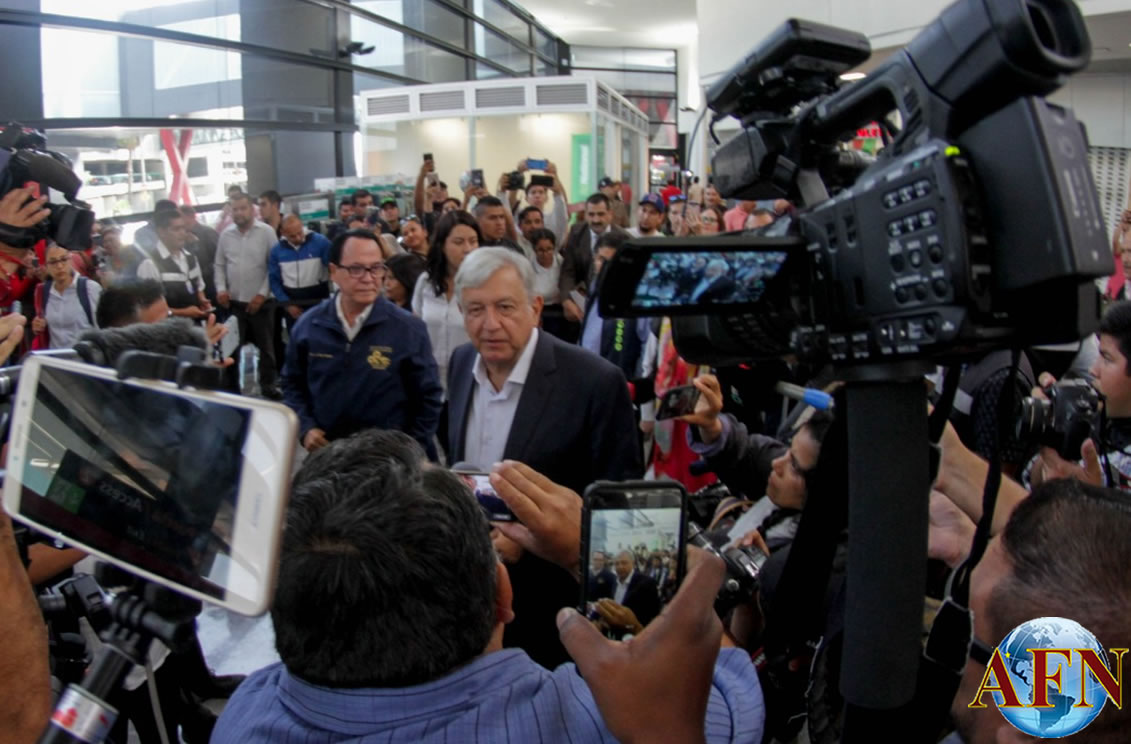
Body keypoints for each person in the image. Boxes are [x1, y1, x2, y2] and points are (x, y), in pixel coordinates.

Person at [210, 431, 764, 744]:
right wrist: (585, 554)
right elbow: (725, 691)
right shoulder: (591, 720)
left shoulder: (243, 717)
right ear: (504, 592)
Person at [447, 247, 641, 667]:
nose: (490, 324)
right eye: (475, 309)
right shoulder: (462, 363)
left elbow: (622, 512)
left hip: (555, 614)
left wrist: (533, 543)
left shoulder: (595, 383)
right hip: (473, 601)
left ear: (536, 307)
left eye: (505, 307)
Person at [281, 228, 443, 457]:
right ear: (334, 271)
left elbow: (429, 398)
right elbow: (292, 385)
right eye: (356, 269)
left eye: (376, 268)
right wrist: (306, 428)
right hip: (330, 458)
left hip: (392, 464)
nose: (368, 278)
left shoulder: (407, 329)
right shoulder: (309, 327)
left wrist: (408, 450)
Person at [215, 192, 280, 397]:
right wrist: (221, 289)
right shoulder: (226, 235)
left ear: (252, 209)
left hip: (261, 303)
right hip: (234, 304)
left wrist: (262, 294)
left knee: (267, 350)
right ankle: (232, 389)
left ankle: (268, 387)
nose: (239, 213)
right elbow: (219, 265)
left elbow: (274, 266)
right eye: (235, 209)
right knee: (231, 349)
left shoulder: (267, 232)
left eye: (243, 208)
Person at [411, 211, 481, 394]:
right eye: (458, 242)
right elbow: (417, 328)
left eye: (473, 241)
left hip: (471, 383)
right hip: (429, 383)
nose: (467, 249)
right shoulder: (426, 282)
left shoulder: (483, 286)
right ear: (442, 245)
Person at [580, 231, 652, 378]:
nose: (605, 266)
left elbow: (647, 347)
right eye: (601, 259)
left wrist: (637, 384)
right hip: (588, 374)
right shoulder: (595, 287)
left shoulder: (638, 298)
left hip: (619, 381)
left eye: (612, 261)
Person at [559, 193, 628, 329]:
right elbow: (568, 271)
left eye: (601, 214)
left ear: (610, 214)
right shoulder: (576, 232)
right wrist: (567, 300)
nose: (596, 219)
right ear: (585, 215)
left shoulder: (625, 239)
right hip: (583, 304)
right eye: (591, 215)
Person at [136, 209, 212, 320]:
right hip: (170, 330)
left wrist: (202, 300)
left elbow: (199, 287)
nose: (183, 233)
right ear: (161, 232)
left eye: (184, 228)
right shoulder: (150, 264)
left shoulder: (191, 258)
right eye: (176, 229)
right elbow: (150, 310)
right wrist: (183, 312)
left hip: (195, 327)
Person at [32, 241, 100, 349]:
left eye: (63, 259)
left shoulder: (90, 288)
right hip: (54, 360)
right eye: (53, 262)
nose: (59, 266)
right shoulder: (42, 291)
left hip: (84, 360)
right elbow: (42, 326)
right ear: (46, 266)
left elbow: (101, 329)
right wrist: (38, 325)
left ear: (71, 260)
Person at [269, 214, 331, 330]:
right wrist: (287, 304)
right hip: (292, 304)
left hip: (319, 301)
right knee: (297, 342)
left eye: (300, 233)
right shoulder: (276, 251)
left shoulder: (321, 242)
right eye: (292, 236)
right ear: (283, 232)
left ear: (302, 226)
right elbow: (274, 281)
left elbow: (334, 267)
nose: (298, 238)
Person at [178, 204, 220, 306]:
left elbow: (219, 260)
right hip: (193, 286)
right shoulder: (181, 237)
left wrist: (202, 271)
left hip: (211, 285)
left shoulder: (208, 233)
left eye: (180, 217)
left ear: (191, 216)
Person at [95, 221, 144, 285]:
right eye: (105, 242)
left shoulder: (135, 259)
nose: (108, 244)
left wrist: (116, 280)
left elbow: (142, 283)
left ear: (121, 240)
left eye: (111, 240)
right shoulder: (106, 263)